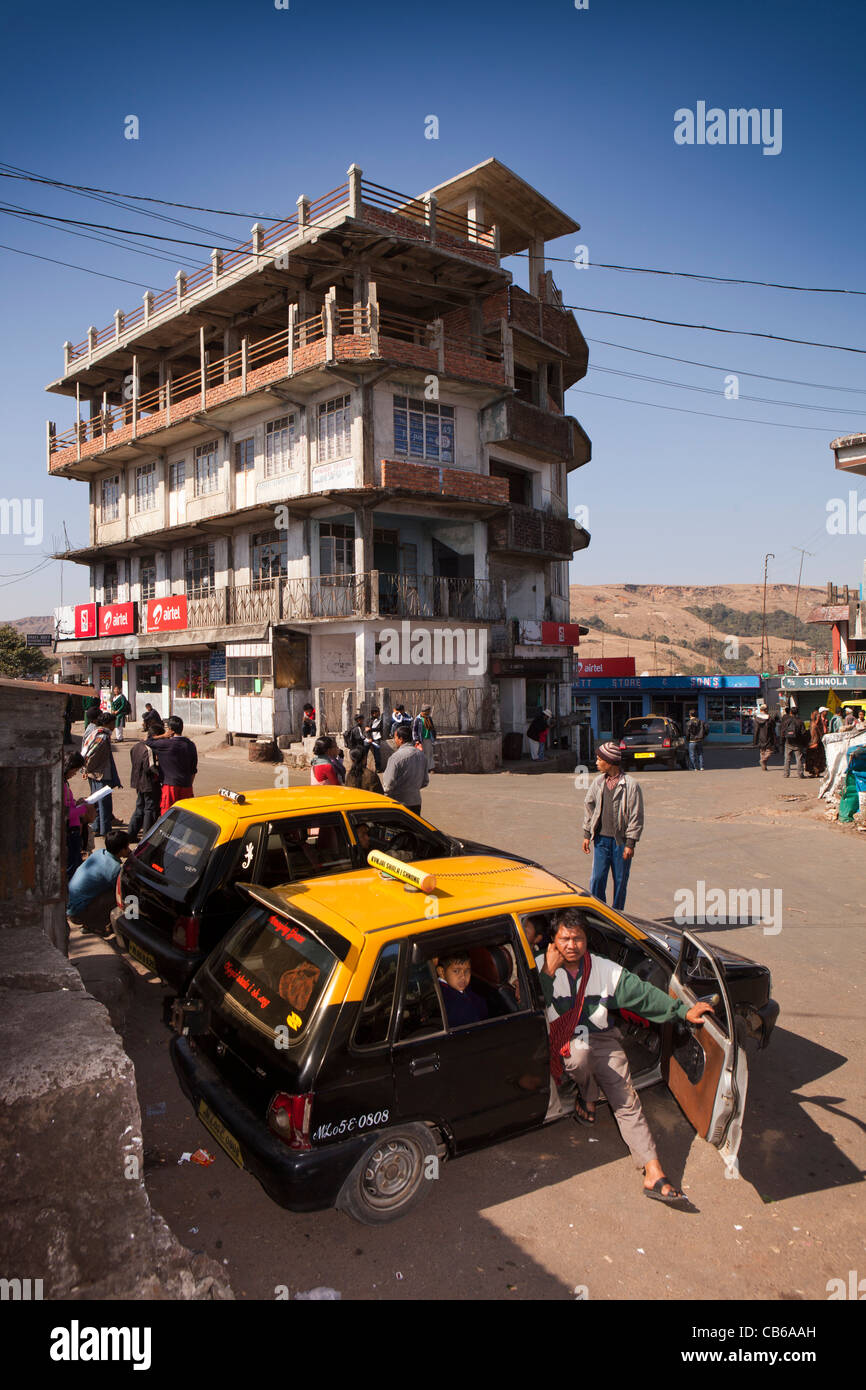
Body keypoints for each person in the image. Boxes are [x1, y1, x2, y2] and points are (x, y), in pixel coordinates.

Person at [538, 910, 714, 1205]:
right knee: (579, 1056)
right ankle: (588, 1093)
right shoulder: (540, 968)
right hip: (566, 1040)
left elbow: (643, 995)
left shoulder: (605, 970)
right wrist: (546, 973)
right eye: (564, 939)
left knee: (625, 1097)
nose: (571, 945)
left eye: (577, 938)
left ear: (586, 940)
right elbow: (531, 1006)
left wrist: (683, 1011)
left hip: (603, 1037)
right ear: (553, 942)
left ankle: (653, 1173)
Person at [582, 742, 644, 912]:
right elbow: (589, 806)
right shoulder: (598, 783)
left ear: (609, 762)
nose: (596, 762)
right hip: (601, 841)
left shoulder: (630, 785)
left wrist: (630, 843)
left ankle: (617, 916)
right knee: (597, 879)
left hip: (621, 843)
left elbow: (635, 816)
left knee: (620, 880)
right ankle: (599, 913)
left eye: (599, 759)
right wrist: (587, 833)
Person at [67, 829, 131, 936]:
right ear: (121, 850)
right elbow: (122, 889)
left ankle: (89, 922)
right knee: (118, 895)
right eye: (127, 848)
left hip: (69, 904)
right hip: (77, 913)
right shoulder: (114, 869)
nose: (129, 850)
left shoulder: (99, 853)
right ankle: (94, 925)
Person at [81, 712, 123, 838]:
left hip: (94, 774)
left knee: (97, 803)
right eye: (112, 724)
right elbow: (91, 753)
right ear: (106, 723)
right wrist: (87, 768)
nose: (113, 726)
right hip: (101, 774)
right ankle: (106, 831)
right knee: (104, 804)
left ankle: (97, 827)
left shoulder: (95, 732)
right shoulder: (102, 736)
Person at [146, 715, 198, 814]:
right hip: (186, 785)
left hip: (170, 786)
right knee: (185, 815)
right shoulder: (191, 745)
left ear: (170, 730)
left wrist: (163, 736)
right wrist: (189, 784)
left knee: (168, 815)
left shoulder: (165, 744)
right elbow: (193, 769)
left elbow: (148, 741)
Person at [381, 725, 429, 813]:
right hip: (416, 802)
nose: (394, 740)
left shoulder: (396, 758)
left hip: (399, 803)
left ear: (401, 739)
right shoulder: (422, 755)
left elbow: (387, 785)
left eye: (395, 737)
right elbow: (425, 781)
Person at [128, 727, 162, 841]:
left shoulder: (136, 746)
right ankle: (146, 836)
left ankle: (131, 834)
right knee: (149, 810)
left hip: (138, 782)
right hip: (148, 784)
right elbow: (150, 768)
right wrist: (160, 775)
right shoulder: (148, 749)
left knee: (139, 808)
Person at [436, 952, 488, 1027]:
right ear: (441, 972)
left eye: (467, 971)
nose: (463, 977)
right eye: (456, 971)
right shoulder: (449, 1000)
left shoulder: (458, 988)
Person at [63, 751, 90, 880]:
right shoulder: (60, 785)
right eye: (74, 771)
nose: (74, 774)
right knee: (72, 867)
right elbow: (65, 812)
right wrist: (83, 808)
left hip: (73, 829)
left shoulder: (63, 783)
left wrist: (77, 803)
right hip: (70, 831)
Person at [779, 705, 806, 779]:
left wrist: (781, 742)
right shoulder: (800, 721)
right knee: (799, 759)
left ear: (790, 712)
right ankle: (800, 774)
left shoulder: (786, 721)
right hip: (798, 743)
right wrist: (803, 743)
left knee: (787, 759)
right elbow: (803, 733)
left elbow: (782, 732)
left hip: (788, 742)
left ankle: (786, 774)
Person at [412, 703, 437, 772]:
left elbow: (432, 728)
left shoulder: (429, 718)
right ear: (425, 711)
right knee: (421, 754)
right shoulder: (418, 719)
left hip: (428, 738)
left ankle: (430, 768)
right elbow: (414, 730)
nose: (430, 712)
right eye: (429, 711)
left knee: (429, 753)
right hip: (421, 739)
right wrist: (416, 739)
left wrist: (434, 736)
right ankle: (422, 768)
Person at [752, 701, 776, 771]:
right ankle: (764, 761)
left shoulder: (756, 719)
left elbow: (756, 730)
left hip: (760, 737)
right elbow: (773, 728)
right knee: (770, 751)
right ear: (766, 710)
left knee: (762, 752)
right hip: (768, 737)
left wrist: (755, 740)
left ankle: (764, 766)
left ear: (760, 710)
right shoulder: (770, 718)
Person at [805, 708, 828, 777]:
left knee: (814, 759)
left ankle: (815, 772)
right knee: (816, 759)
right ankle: (816, 772)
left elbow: (814, 736)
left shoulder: (814, 725)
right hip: (816, 744)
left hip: (814, 744)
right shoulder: (815, 724)